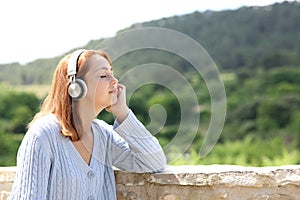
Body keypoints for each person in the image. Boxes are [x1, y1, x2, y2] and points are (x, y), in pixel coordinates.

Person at [8, 49, 166, 200]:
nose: (115, 80)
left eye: (112, 73)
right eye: (104, 75)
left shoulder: (103, 134)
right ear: (76, 87)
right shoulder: (43, 134)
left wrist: (123, 112)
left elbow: (154, 162)